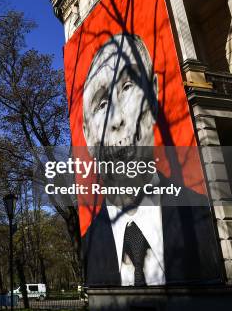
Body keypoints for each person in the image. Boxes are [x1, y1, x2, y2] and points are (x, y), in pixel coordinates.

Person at [80, 33, 221, 286]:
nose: (117, 119)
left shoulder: (203, 214)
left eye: (127, 87)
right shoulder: (90, 242)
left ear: (154, 94)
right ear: (87, 134)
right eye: (101, 105)